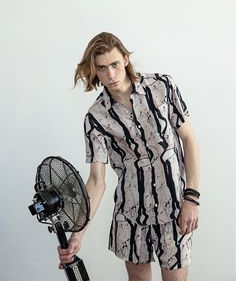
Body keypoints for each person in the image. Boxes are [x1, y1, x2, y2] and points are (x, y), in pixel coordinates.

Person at [58, 32, 200, 281]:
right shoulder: (95, 118)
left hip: (175, 211)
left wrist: (192, 198)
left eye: (114, 64)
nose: (110, 75)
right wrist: (77, 235)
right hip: (131, 216)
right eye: (102, 68)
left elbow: (189, 140)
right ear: (94, 71)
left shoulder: (162, 87)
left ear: (125, 59)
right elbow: (96, 181)